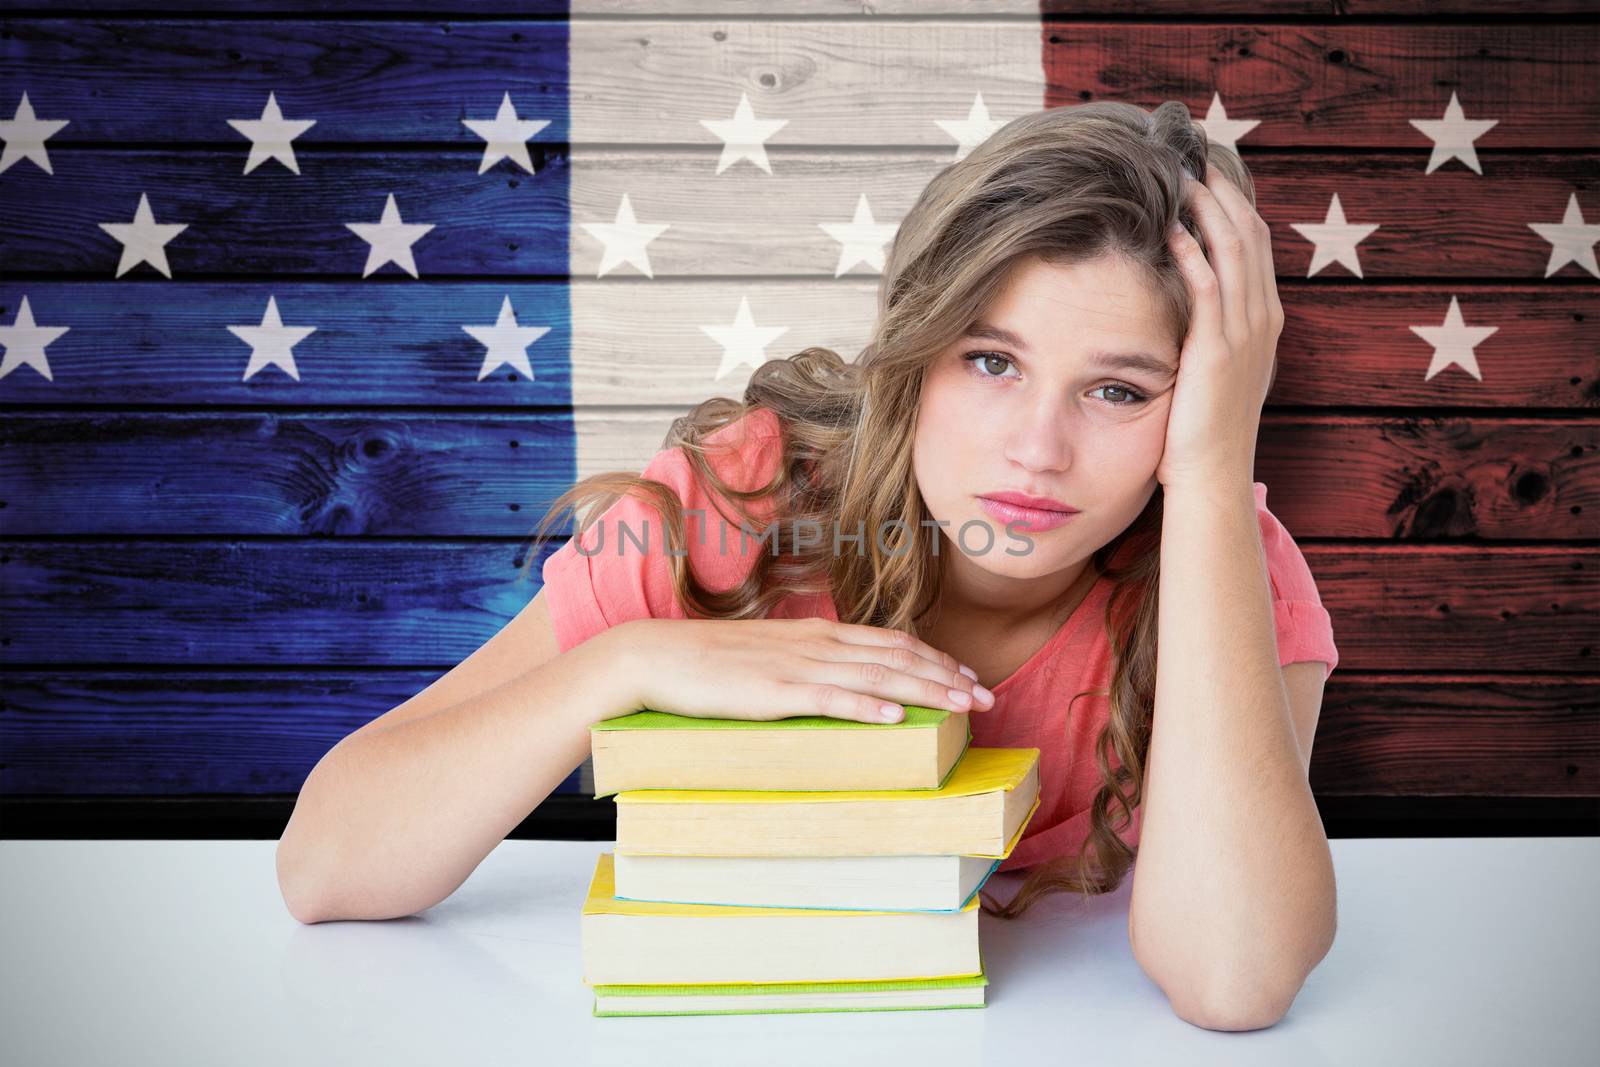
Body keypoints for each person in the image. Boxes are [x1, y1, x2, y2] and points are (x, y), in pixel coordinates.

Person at [276, 100, 1339, 1030]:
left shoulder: (1228, 571)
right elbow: (325, 863)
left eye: (1119, 389)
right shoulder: (742, 499)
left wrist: (1210, 474)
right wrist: (624, 664)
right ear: (912, 353)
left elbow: (1232, 977)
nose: (1036, 450)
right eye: (989, 360)